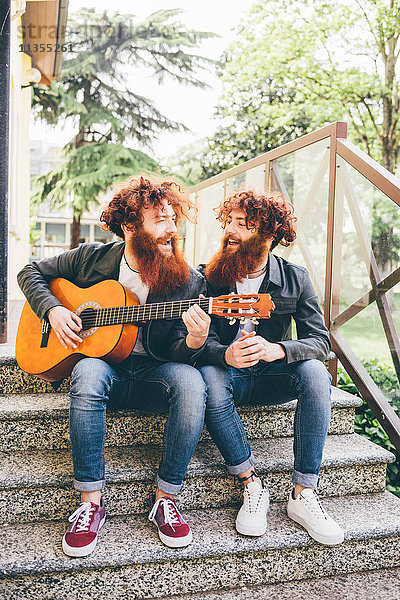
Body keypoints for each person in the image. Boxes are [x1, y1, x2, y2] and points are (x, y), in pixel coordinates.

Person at [17, 176, 211, 557]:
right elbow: (30, 272)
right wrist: (54, 309)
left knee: (191, 382)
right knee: (87, 371)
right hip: (105, 366)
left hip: (154, 370)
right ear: (129, 227)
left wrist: (194, 342)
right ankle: (90, 502)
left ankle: (165, 498)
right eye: (160, 219)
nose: (172, 229)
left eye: (174, 218)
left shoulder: (187, 280)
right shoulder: (92, 259)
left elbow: (176, 348)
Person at [196, 189, 344, 545]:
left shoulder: (296, 278)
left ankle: (303, 493)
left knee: (315, 373)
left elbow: (320, 341)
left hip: (272, 377)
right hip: (228, 376)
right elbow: (194, 347)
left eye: (243, 225)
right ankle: (251, 484)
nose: (231, 231)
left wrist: (278, 349)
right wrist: (223, 354)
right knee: (207, 378)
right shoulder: (207, 277)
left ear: (269, 236)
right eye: (229, 221)